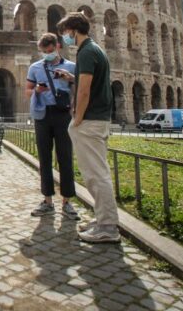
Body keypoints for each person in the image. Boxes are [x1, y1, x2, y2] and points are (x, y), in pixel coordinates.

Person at [57, 12, 120, 243]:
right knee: (97, 173)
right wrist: (71, 78)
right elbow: (87, 84)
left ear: (74, 30)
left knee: (96, 175)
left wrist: (77, 119)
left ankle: (108, 227)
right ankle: (103, 218)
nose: (64, 37)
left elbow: (84, 92)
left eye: (65, 32)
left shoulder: (85, 52)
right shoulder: (95, 49)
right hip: (98, 117)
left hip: (90, 120)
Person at [25, 33, 80, 221]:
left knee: (65, 157)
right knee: (44, 158)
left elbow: (79, 90)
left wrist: (69, 78)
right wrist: (37, 91)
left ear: (57, 46)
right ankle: (47, 200)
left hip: (63, 114)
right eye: (43, 52)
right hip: (42, 114)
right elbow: (27, 91)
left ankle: (67, 201)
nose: (47, 54)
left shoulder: (71, 66)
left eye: (50, 51)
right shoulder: (35, 67)